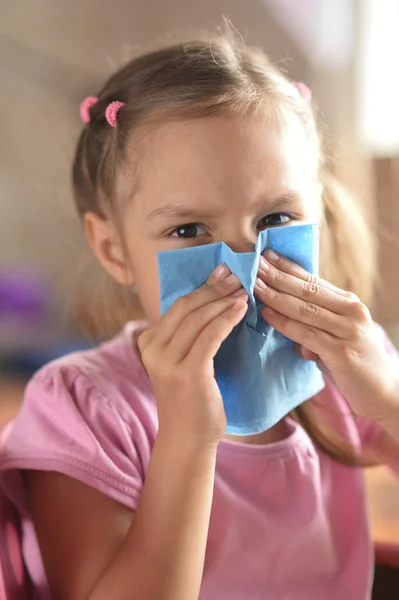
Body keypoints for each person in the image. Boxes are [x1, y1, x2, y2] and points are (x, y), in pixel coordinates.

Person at [1, 26, 399, 600]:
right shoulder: (86, 411)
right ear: (115, 250)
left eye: (276, 220)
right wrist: (188, 437)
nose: (244, 262)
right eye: (189, 230)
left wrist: (385, 400)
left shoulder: (347, 367)